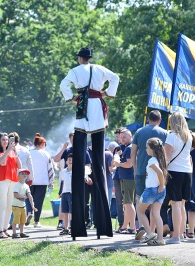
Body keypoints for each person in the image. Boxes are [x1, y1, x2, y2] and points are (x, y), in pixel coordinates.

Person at [60, 46, 119, 238]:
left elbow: (63, 84)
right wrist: (109, 92)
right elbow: (115, 78)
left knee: (79, 155)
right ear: (90, 58)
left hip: (83, 108)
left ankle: (78, 226)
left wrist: (71, 97)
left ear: (79, 58)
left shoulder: (75, 71)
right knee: (98, 159)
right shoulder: (100, 69)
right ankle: (103, 225)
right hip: (96, 110)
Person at [131, 110, 167, 240]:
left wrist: (135, 169)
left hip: (142, 170)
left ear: (148, 119)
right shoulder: (164, 133)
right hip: (160, 175)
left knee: (140, 201)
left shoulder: (139, 132)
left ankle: (143, 228)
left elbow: (133, 153)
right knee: (155, 208)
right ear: (160, 119)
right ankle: (152, 230)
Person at [162, 111, 192, 244]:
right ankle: (181, 234)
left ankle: (175, 237)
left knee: (175, 204)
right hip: (187, 172)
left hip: (175, 172)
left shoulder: (172, 136)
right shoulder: (189, 136)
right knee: (182, 205)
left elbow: (165, 156)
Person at [53, 132, 92, 229]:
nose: (73, 140)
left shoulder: (84, 150)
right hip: (67, 179)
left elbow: (88, 165)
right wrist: (63, 148)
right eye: (72, 139)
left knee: (80, 201)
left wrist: (85, 175)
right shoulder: (67, 150)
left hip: (79, 179)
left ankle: (80, 221)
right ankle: (62, 222)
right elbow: (56, 159)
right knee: (65, 201)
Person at [0, 133, 21, 239]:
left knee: (9, 207)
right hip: (2, 180)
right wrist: (8, 151)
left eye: (7, 140)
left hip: (12, 180)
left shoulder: (12, 152)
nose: (5, 141)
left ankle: (5, 228)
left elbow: (19, 166)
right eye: (3, 139)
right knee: (2, 206)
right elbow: (0, 161)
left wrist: (15, 152)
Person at [137, 138, 167, 246]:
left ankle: (149, 233)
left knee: (140, 211)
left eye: (147, 147)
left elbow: (159, 173)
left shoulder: (152, 161)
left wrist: (162, 184)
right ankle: (160, 239)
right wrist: (162, 186)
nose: (146, 150)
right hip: (161, 190)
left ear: (152, 149)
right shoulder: (161, 160)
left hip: (151, 190)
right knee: (156, 214)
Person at [27, 133, 54, 228]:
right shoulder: (46, 154)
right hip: (42, 181)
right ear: (42, 144)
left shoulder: (28, 152)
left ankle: (29, 212)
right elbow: (51, 170)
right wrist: (51, 183)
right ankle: (36, 221)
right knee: (38, 201)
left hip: (30, 180)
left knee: (28, 198)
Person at [114, 129, 136, 234]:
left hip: (128, 178)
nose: (122, 139)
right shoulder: (126, 148)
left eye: (125, 137)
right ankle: (124, 226)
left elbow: (129, 164)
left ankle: (132, 227)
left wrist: (118, 164)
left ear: (130, 137)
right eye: (121, 137)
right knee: (127, 203)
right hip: (126, 178)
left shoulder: (129, 148)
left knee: (128, 203)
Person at [12, 169, 37, 239]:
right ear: (18, 175)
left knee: (23, 220)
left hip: (23, 206)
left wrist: (33, 206)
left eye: (26, 174)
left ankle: (21, 232)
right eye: (22, 173)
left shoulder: (26, 186)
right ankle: (14, 233)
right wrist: (23, 196)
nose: (24, 175)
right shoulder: (16, 185)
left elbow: (30, 196)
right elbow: (15, 195)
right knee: (16, 220)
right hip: (16, 206)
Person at [112, 127, 126, 231]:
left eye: (119, 137)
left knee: (128, 201)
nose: (118, 139)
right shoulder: (117, 148)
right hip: (117, 177)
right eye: (117, 137)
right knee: (118, 201)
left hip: (126, 177)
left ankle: (131, 223)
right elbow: (113, 164)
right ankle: (122, 224)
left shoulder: (129, 147)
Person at [59, 153, 73, 236]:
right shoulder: (64, 171)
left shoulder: (75, 171)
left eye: (72, 160)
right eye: (69, 160)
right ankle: (65, 228)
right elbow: (63, 182)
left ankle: (72, 227)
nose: (71, 161)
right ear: (66, 162)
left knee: (71, 211)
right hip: (65, 192)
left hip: (71, 192)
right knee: (65, 211)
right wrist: (61, 191)